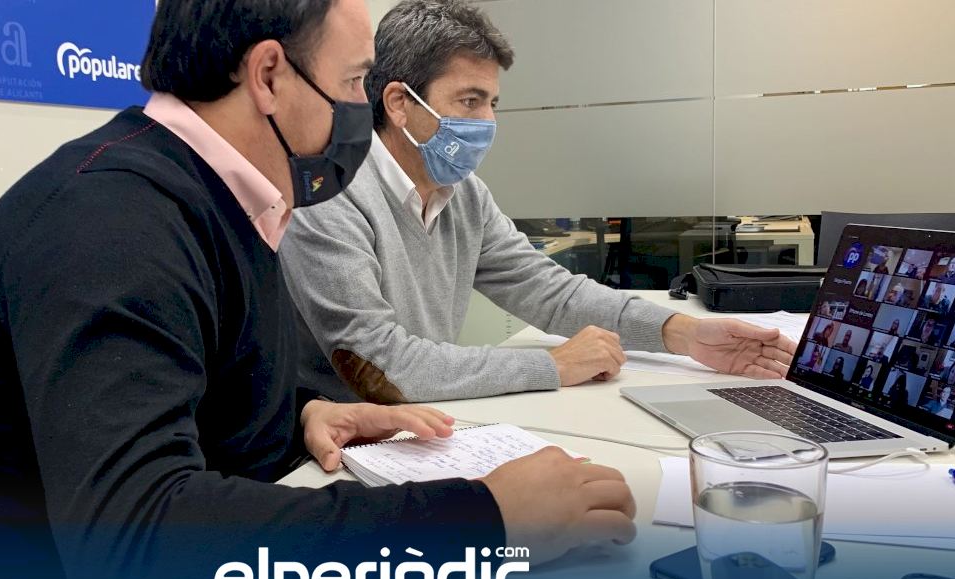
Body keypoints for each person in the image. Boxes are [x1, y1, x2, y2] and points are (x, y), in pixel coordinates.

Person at [0, 2, 638, 579]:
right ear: (268, 76)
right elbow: (137, 553)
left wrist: (302, 414)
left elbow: (185, 392)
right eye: (354, 83)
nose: (362, 113)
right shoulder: (110, 223)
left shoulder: (223, 199)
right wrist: (481, 520)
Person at [278, 0, 797, 404]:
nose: (487, 122)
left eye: (492, 103)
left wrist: (684, 334)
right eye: (469, 101)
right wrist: (554, 365)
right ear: (398, 104)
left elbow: (552, 293)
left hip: (423, 425)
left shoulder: (464, 196)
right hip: (330, 455)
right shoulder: (331, 197)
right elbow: (379, 363)